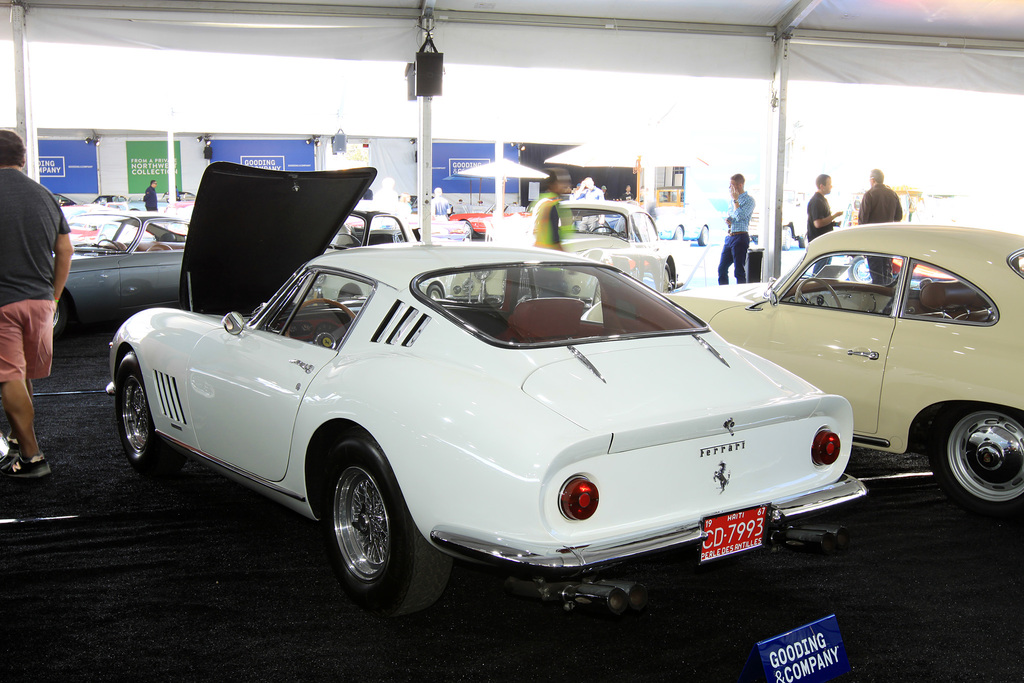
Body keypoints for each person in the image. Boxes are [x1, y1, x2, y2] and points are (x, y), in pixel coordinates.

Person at [0, 129, 73, 479]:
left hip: (3, 303)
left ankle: (32, 457)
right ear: (23, 158)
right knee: (24, 371)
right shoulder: (45, 195)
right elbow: (66, 251)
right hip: (42, 302)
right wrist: (54, 295)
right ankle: (17, 434)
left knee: (8, 376)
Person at [858, 169, 903, 284]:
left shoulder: (870, 194)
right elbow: (899, 217)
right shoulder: (893, 194)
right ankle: (888, 298)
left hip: (873, 242)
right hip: (888, 240)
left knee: (876, 275)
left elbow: (862, 222)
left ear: (872, 180)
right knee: (887, 273)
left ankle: (878, 300)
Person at [718, 173, 755, 285]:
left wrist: (735, 201)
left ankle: (741, 295)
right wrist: (729, 220)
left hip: (740, 237)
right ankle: (723, 294)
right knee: (722, 268)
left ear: (740, 185)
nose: (730, 188)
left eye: (732, 185)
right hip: (730, 236)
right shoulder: (732, 200)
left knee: (739, 271)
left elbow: (740, 216)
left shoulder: (749, 200)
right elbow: (734, 216)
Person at [532, 167, 572, 251]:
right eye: (562, 182)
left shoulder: (541, 200)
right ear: (552, 184)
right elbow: (554, 240)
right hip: (549, 254)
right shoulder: (551, 204)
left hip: (539, 251)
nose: (566, 185)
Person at [806, 173, 843, 243]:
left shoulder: (822, 200)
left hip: (823, 241)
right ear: (822, 186)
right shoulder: (817, 201)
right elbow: (818, 223)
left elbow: (823, 220)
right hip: (818, 241)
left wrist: (834, 224)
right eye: (829, 184)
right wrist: (835, 215)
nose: (831, 186)